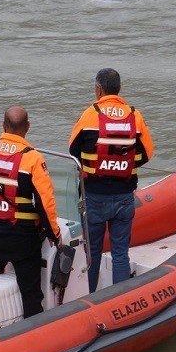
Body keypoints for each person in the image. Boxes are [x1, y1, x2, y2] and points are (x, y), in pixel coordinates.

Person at [68, 68, 154, 293]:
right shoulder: (135, 115)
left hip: (94, 195)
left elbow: (72, 149)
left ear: (98, 89)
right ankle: (121, 300)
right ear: (119, 89)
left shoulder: (89, 115)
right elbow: (147, 152)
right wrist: (123, 166)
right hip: (124, 194)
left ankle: (90, 300)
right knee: (120, 253)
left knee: (92, 253)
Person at [0, 106, 61, 318]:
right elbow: (45, 202)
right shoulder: (32, 158)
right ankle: (34, 335)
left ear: (3, 125)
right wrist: (54, 235)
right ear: (28, 127)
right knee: (31, 293)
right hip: (23, 238)